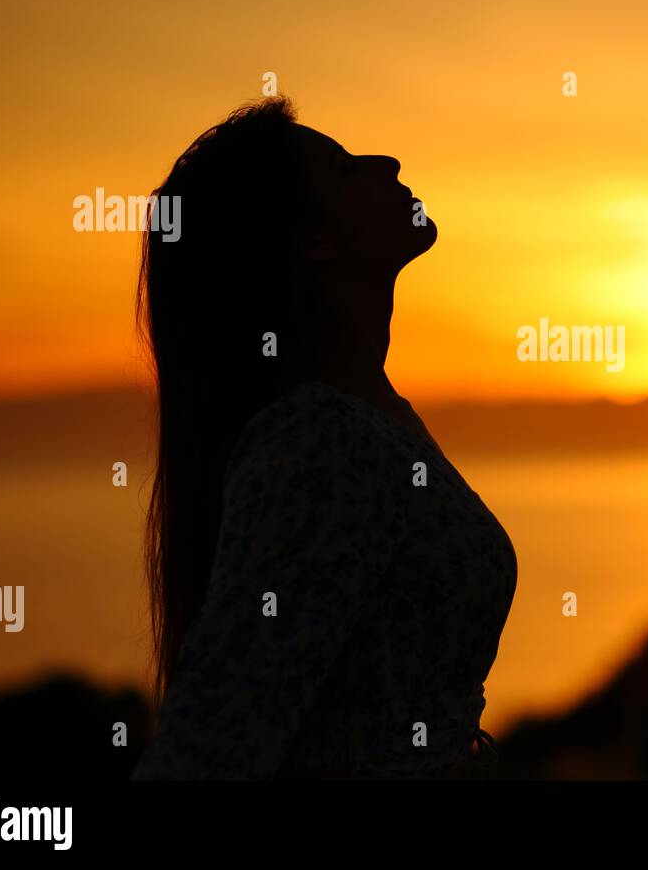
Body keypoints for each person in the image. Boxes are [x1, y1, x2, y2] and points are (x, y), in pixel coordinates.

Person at [131, 98, 517, 779]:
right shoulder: (321, 440)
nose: (387, 161)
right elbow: (212, 744)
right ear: (312, 238)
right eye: (344, 169)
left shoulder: (367, 419)